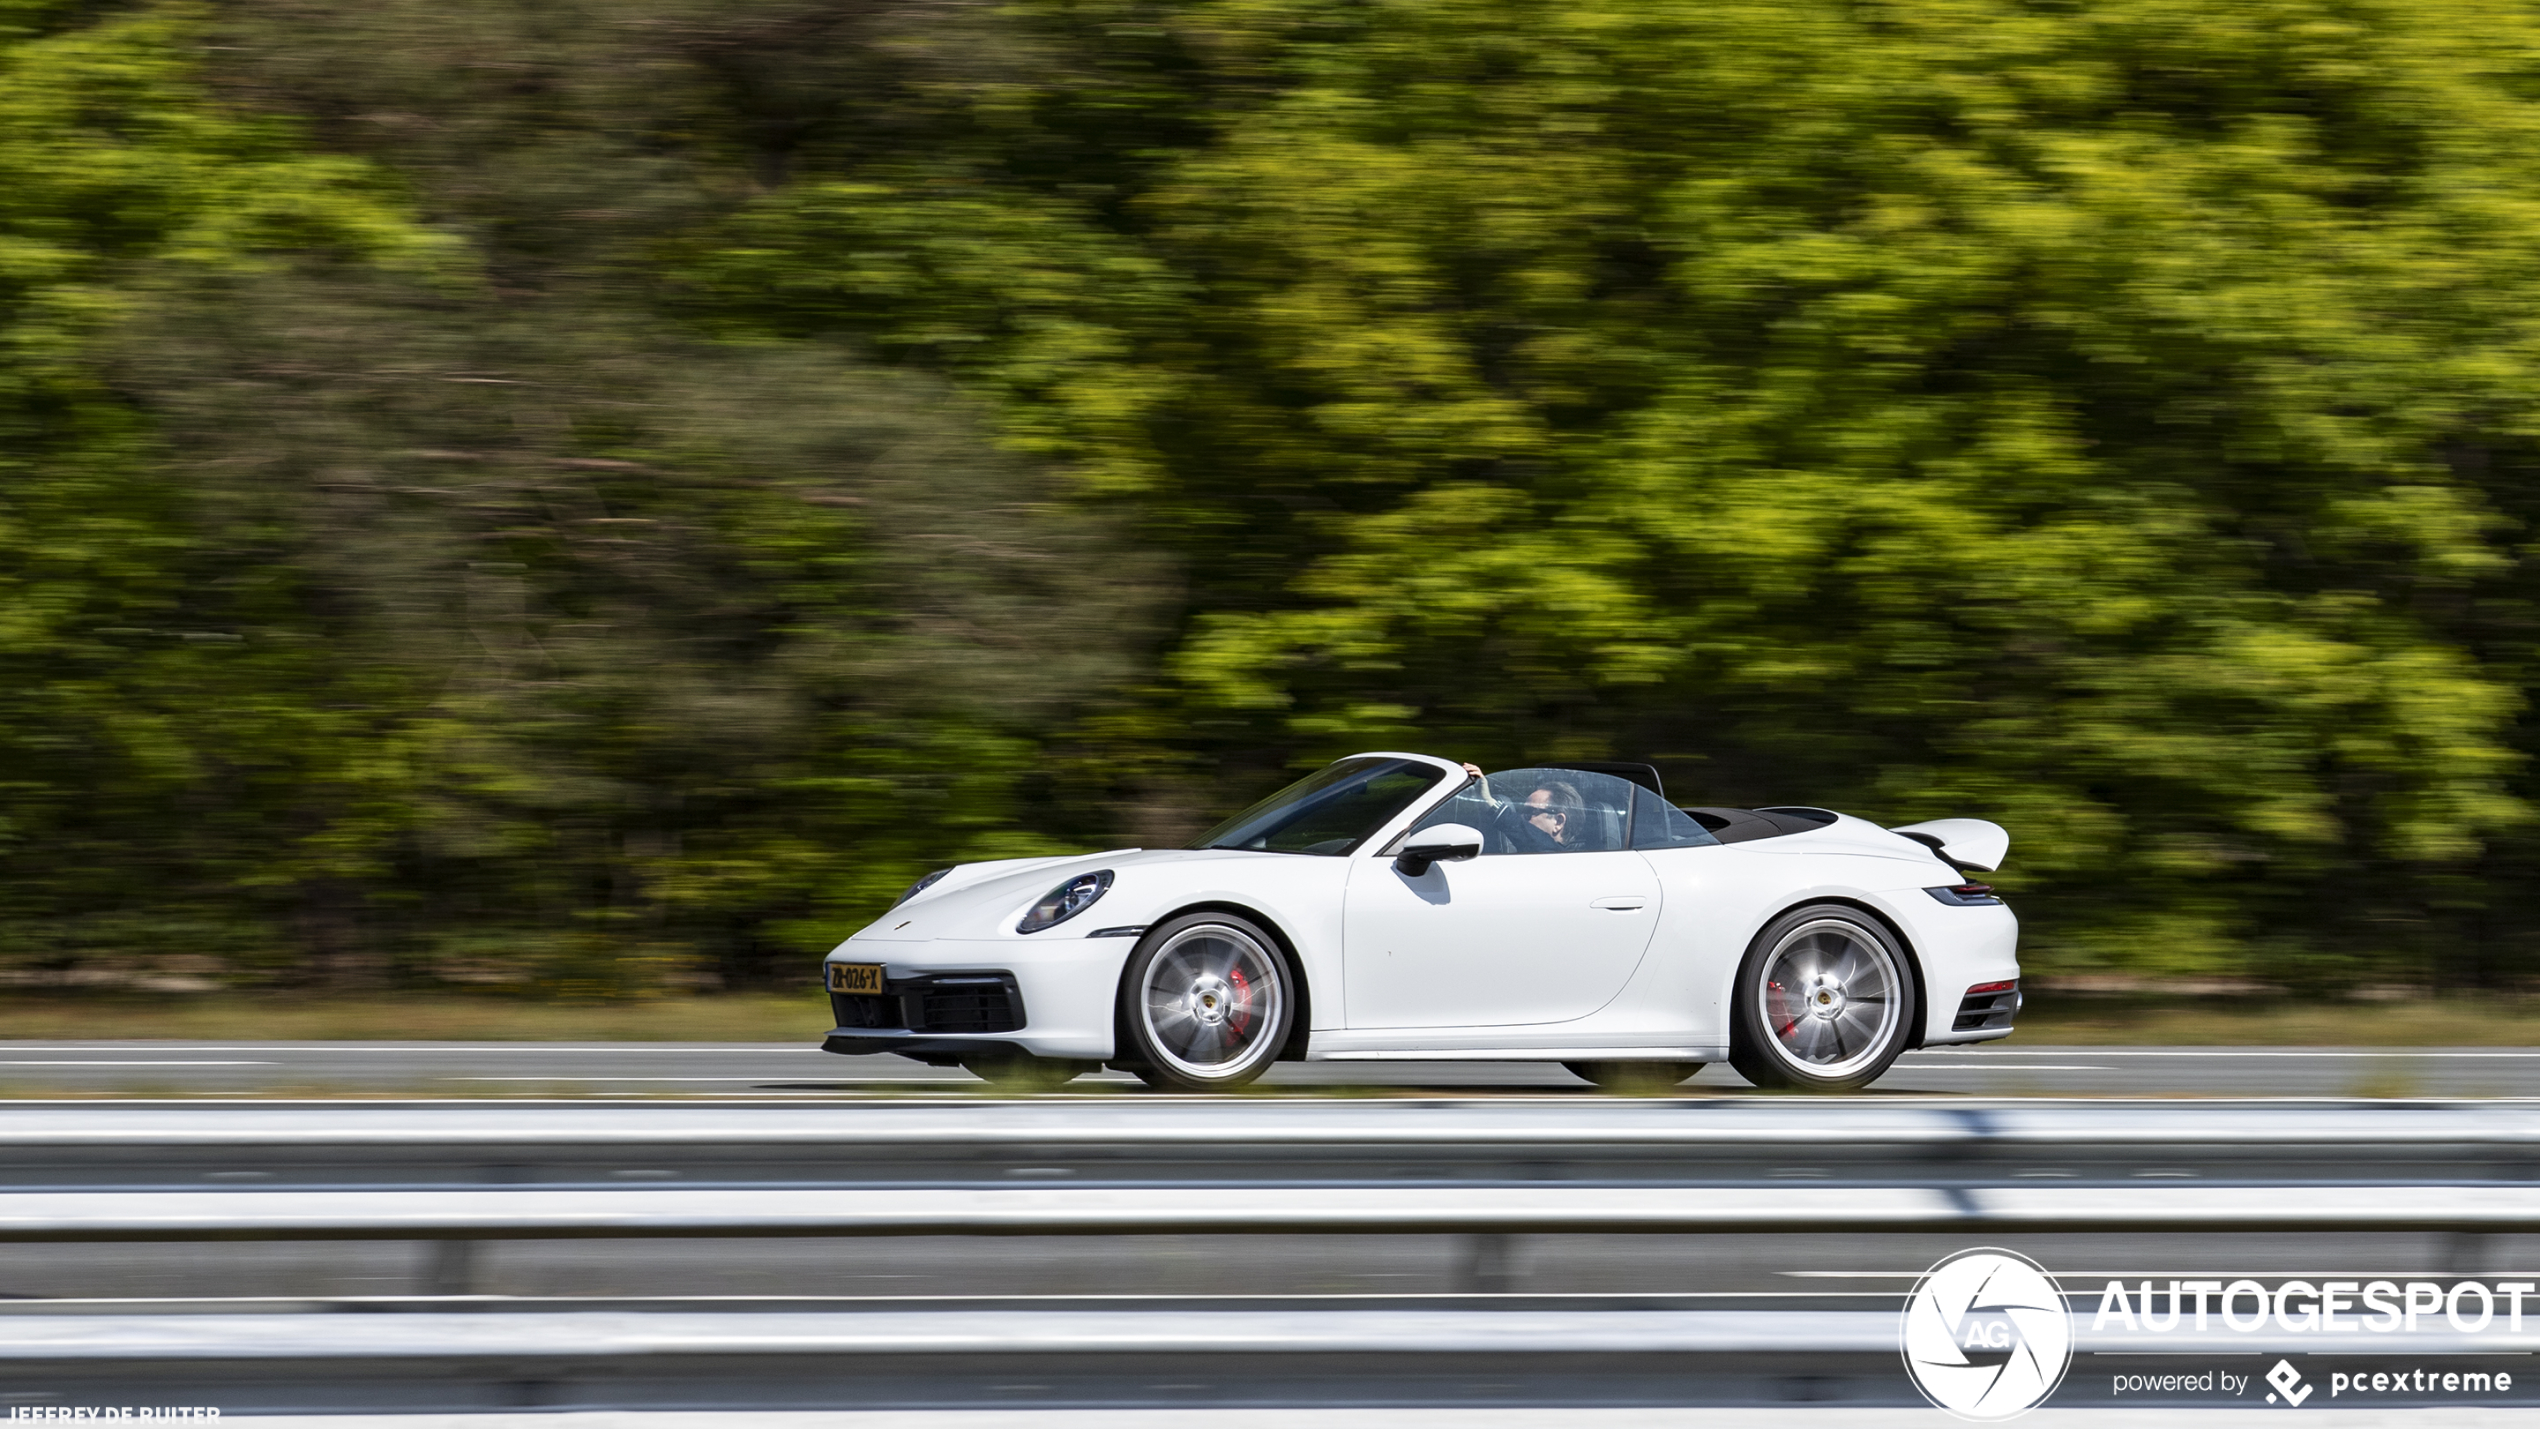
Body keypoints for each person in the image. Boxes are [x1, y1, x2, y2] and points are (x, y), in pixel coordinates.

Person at [1457, 763, 1584, 853]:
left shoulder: (1559, 857)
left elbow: (1537, 839)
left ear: (1559, 822)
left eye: (1530, 812)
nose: (1522, 818)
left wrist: (1489, 800)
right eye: (1521, 812)